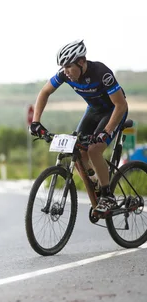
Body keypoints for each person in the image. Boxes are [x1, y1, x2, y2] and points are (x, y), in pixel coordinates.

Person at [28, 39, 128, 216]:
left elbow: (121, 105)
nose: (66, 72)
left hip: (113, 111)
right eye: (63, 67)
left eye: (68, 66)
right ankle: (95, 182)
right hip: (94, 110)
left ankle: (107, 196)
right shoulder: (64, 75)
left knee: (94, 150)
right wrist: (36, 122)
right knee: (79, 150)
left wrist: (106, 132)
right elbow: (44, 92)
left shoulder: (101, 73)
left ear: (82, 62)